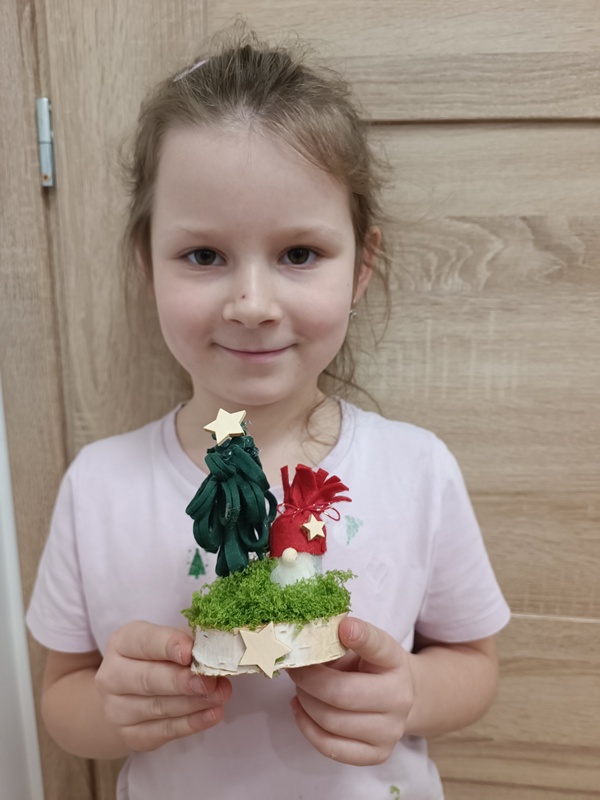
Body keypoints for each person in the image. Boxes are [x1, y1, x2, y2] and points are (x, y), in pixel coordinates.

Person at [26, 26, 510, 800]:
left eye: (298, 254)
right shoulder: (98, 484)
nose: (252, 304)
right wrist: (111, 710)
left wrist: (409, 694)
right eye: (204, 256)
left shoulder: (417, 469)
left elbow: (474, 664)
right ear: (146, 263)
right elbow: (63, 698)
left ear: (362, 266)